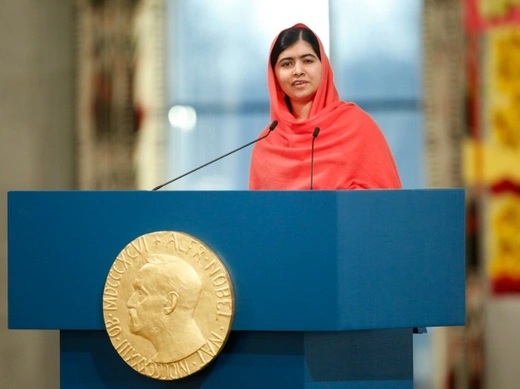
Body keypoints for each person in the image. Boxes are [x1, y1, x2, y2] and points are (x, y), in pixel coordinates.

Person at [249, 23, 402, 190]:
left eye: (307, 61)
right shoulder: (267, 143)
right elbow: (259, 212)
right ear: (275, 76)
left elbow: (386, 204)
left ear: (324, 67)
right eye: (287, 64)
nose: (298, 71)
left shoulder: (358, 126)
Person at [126, 254, 205, 363]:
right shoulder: (158, 359)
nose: (129, 303)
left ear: (169, 303)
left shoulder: (188, 350)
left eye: (140, 293)